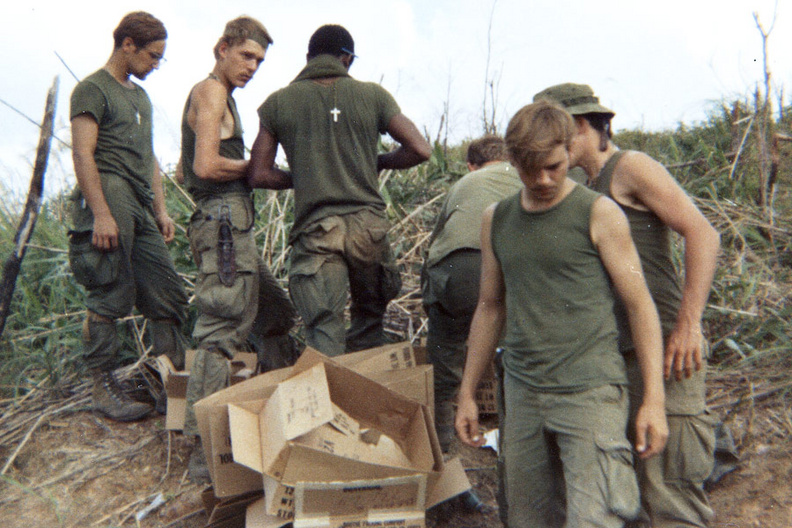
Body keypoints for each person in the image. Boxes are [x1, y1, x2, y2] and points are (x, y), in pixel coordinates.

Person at [455, 101, 669, 528]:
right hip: (523, 395)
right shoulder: (496, 219)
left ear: (570, 150)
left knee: (595, 518)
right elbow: (489, 306)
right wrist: (466, 392)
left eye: (553, 166)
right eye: (529, 168)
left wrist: (655, 400)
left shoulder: (600, 213)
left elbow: (639, 304)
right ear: (511, 160)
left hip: (590, 392)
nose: (542, 179)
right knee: (528, 518)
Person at [534, 83, 720, 528]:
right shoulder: (581, 185)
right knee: (626, 487)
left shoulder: (631, 167)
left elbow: (703, 234)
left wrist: (688, 324)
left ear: (579, 125)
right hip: (614, 359)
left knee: (668, 489)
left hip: (666, 352)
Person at [248, 24, 432, 357]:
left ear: (309, 59)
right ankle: (366, 400)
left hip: (317, 232)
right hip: (367, 229)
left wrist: (305, 177)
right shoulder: (373, 95)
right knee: (369, 321)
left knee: (323, 328)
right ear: (346, 58)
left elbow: (259, 173)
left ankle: (328, 403)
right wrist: (378, 161)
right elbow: (421, 149)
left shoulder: (277, 103)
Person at [177, 16, 297, 482]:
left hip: (234, 227)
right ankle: (204, 450)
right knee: (221, 331)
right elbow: (205, 163)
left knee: (276, 314)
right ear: (221, 47)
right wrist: (257, 166)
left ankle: (281, 415)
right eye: (246, 55)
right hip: (224, 225)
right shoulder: (209, 92)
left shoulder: (224, 97)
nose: (253, 67)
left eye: (260, 61)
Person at [68, 12, 188, 423]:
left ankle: (170, 386)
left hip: (139, 201)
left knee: (166, 291)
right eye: (153, 56)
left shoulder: (139, 98)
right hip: (110, 194)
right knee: (110, 291)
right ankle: (102, 387)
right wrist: (100, 213)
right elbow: (83, 153)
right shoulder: (92, 89)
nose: (155, 65)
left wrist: (161, 208)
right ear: (128, 44)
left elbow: (149, 157)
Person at [421, 134, 521, 452]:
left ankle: (442, 447)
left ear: (470, 166)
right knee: (514, 353)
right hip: (510, 268)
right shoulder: (527, 176)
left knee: (445, 354)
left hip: (456, 269)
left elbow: (435, 245)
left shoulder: (465, 184)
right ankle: (513, 439)